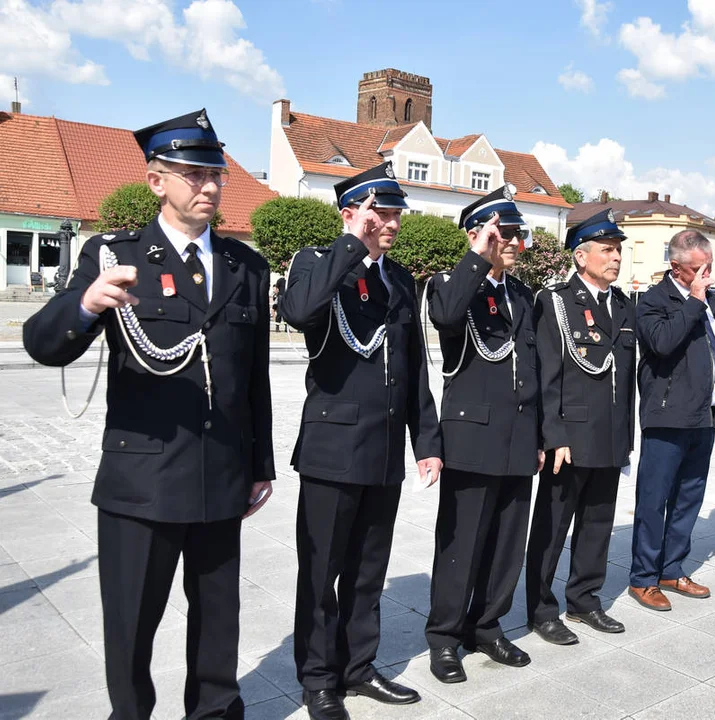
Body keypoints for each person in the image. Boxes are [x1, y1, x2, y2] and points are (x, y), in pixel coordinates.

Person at [23, 109, 274, 720]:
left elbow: (253, 378)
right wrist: (84, 303)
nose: (210, 185)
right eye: (193, 173)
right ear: (157, 181)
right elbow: (42, 343)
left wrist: (258, 463)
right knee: (132, 626)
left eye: (216, 173)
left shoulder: (247, 267)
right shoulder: (114, 253)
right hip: (143, 480)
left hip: (220, 477)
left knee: (219, 623)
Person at [280, 162, 443, 719]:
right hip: (332, 449)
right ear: (350, 213)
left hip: (382, 451)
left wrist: (427, 440)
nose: (392, 222)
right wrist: (352, 245)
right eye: (381, 212)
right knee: (322, 570)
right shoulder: (315, 262)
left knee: (369, 570)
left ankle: (358, 667)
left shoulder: (401, 281)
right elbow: (300, 312)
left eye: (396, 212)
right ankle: (319, 678)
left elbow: (415, 366)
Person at [425, 186, 543, 682]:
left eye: (517, 232)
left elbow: (535, 368)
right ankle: (446, 638)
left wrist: (540, 435)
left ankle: (488, 624)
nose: (513, 242)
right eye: (504, 232)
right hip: (471, 438)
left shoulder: (522, 295)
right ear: (477, 234)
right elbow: (446, 316)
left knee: (507, 542)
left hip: (518, 437)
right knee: (462, 544)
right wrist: (478, 257)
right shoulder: (450, 283)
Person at [526, 209, 635, 642]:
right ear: (580, 256)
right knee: (551, 529)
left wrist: (626, 436)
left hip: (609, 437)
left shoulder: (623, 304)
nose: (616, 258)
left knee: (597, 525)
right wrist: (554, 435)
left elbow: (624, 380)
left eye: (618, 251)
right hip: (569, 438)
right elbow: (546, 375)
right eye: (607, 251)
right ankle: (540, 608)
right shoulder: (554, 301)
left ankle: (585, 600)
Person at [630, 229, 715, 609]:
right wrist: (693, 302)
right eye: (699, 268)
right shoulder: (653, 301)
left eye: (710, 266)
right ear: (676, 267)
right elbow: (661, 343)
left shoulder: (713, 300)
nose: (707, 275)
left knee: (689, 497)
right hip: (667, 415)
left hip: (704, 416)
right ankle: (643, 577)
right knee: (653, 499)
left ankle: (671, 569)